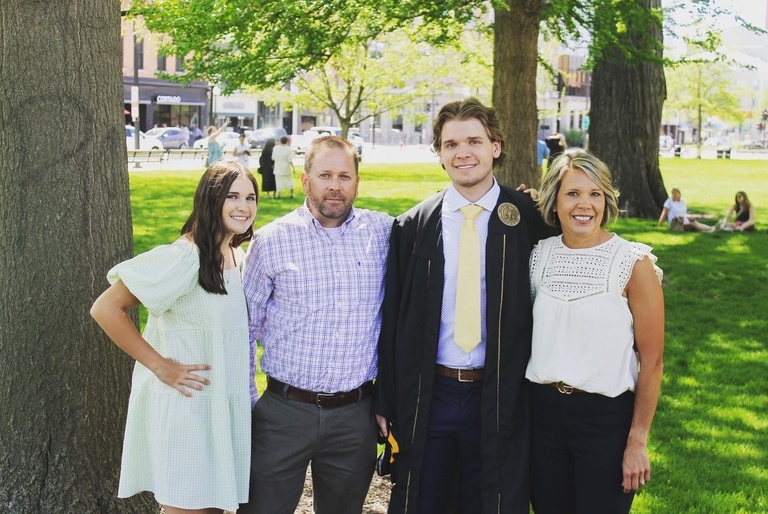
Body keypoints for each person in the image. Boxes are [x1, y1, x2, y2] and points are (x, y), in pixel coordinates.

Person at [375, 97, 555, 514]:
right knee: (423, 498)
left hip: (501, 392)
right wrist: (386, 399)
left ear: (495, 146)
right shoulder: (414, 226)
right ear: (439, 153)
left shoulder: (530, 218)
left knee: (492, 498)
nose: (463, 153)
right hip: (431, 392)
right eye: (451, 144)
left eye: (474, 140)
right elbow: (393, 318)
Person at [90, 161, 259, 514]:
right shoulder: (184, 258)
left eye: (250, 197)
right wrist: (160, 365)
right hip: (188, 411)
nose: (243, 206)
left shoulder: (235, 256)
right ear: (210, 201)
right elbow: (106, 309)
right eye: (232, 196)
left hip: (221, 409)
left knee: (213, 507)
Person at [239, 136, 392, 514]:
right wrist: (248, 405)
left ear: (357, 182)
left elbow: (443, 222)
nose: (335, 186)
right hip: (283, 412)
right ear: (306, 181)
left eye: (345, 176)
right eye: (325, 175)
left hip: (355, 415)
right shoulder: (271, 241)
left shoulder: (385, 233)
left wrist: (523, 202)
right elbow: (243, 329)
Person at [526, 150, 665, 514]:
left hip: (606, 423)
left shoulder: (634, 263)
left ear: (606, 200)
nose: (584, 204)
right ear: (554, 200)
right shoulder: (538, 256)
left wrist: (637, 440)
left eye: (595, 194)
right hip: (541, 419)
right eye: (572, 193)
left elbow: (651, 362)